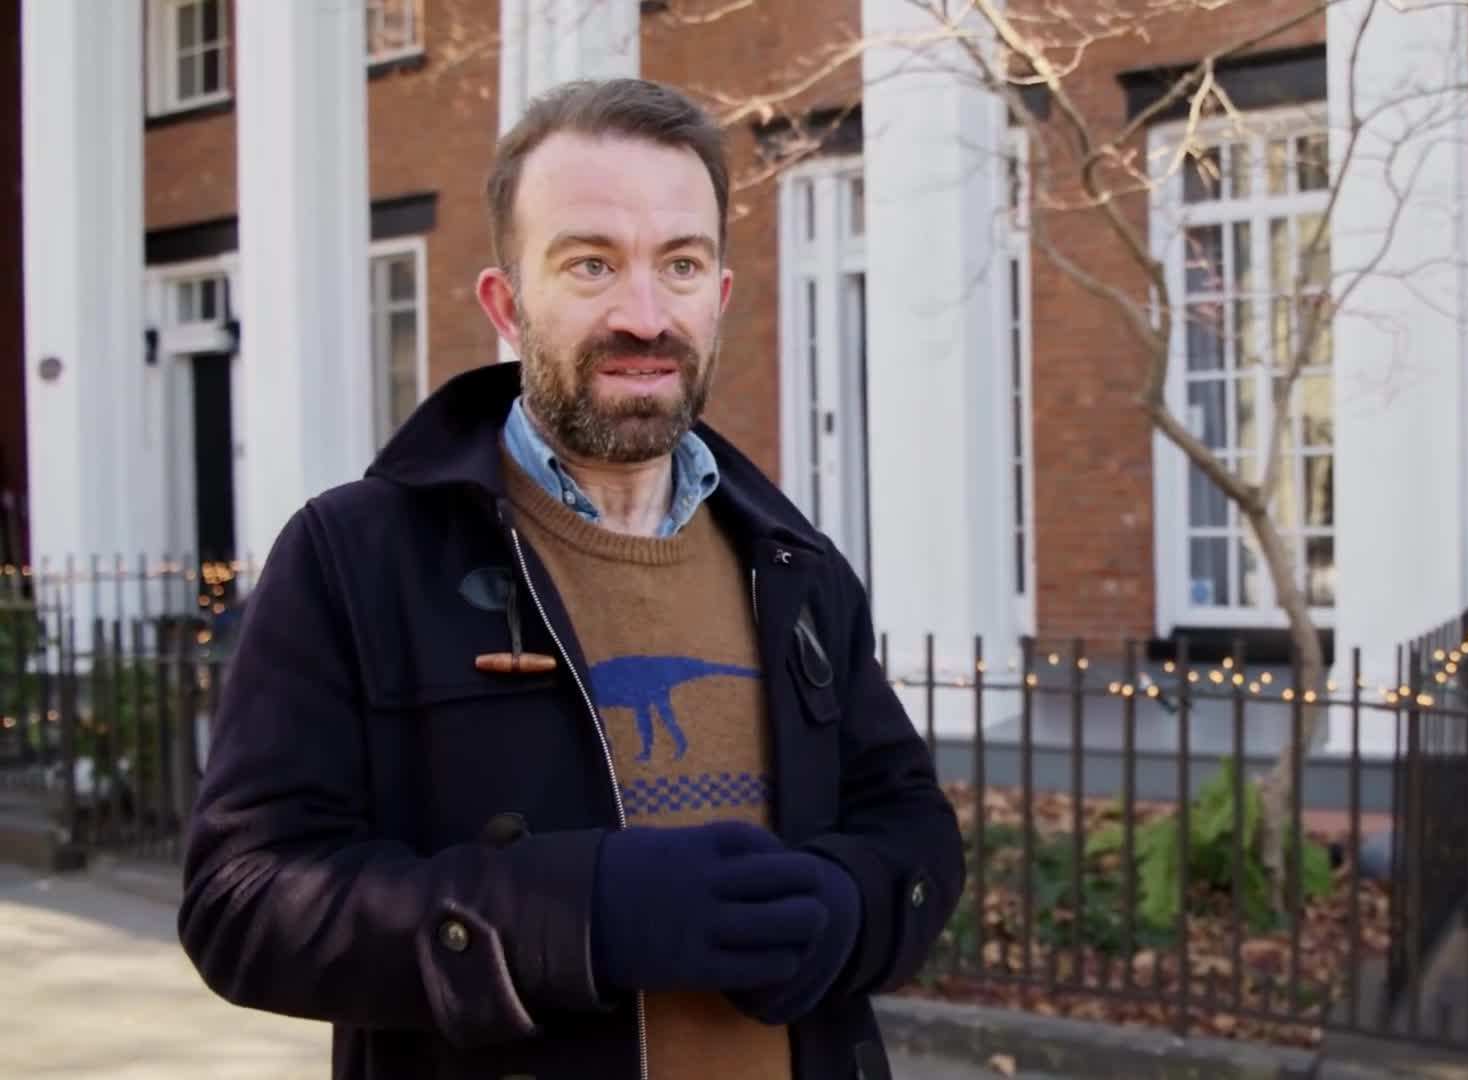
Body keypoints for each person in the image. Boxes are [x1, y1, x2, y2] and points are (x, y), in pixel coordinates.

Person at [177, 77, 964, 1080]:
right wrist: (569, 919)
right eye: (591, 264)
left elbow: (914, 828)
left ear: (720, 296)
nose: (645, 315)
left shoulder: (794, 564)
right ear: (506, 305)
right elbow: (242, 901)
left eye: (680, 264)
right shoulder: (353, 558)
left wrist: (850, 906)